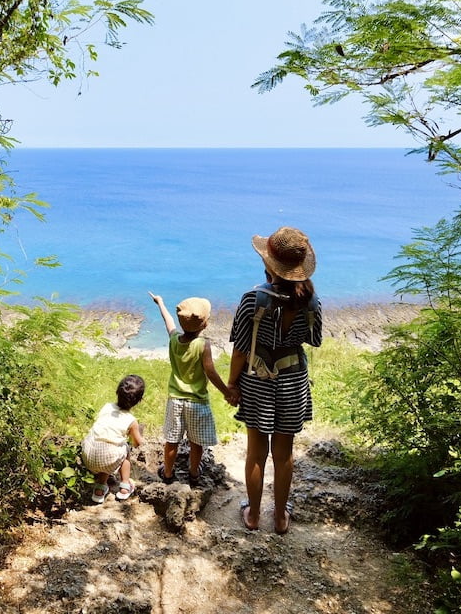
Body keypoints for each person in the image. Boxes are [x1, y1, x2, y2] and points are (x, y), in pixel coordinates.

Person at [227, 226, 322, 534]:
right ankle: (280, 517)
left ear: (269, 265)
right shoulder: (311, 301)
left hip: (257, 379)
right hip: (293, 380)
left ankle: (253, 514)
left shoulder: (253, 300)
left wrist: (231, 384)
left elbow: (240, 351)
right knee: (284, 454)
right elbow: (314, 339)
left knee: (256, 451)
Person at [149, 292, 235, 487]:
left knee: (172, 441)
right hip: (197, 401)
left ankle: (168, 473)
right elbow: (211, 373)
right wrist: (227, 392)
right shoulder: (203, 345)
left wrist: (160, 302)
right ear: (205, 325)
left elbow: (168, 320)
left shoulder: (173, 339)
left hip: (175, 400)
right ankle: (194, 473)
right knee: (196, 443)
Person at [81, 374, 146, 503]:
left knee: (109, 443)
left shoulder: (107, 407)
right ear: (139, 400)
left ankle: (99, 489)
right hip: (107, 458)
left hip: (88, 455)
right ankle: (125, 487)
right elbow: (138, 443)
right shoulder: (131, 420)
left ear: (117, 392)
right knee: (124, 449)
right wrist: (140, 436)